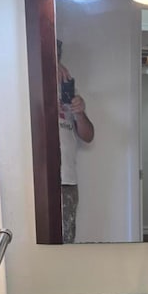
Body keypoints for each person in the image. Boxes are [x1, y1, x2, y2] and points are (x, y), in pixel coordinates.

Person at [57, 40, 94, 243]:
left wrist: (80, 113)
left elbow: (88, 136)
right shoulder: (30, 84)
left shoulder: (68, 89)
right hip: (42, 183)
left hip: (68, 181)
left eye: (58, 55)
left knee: (67, 241)